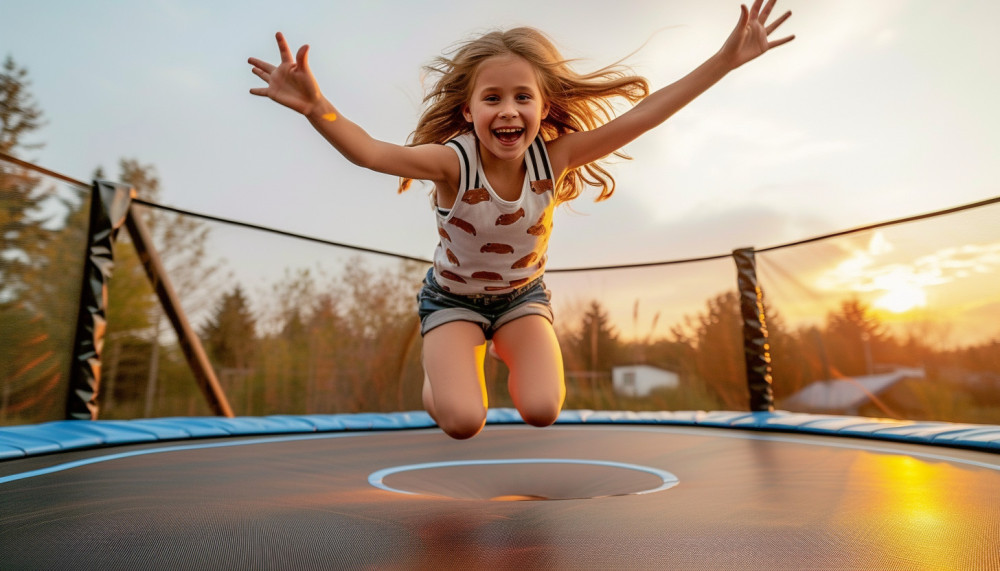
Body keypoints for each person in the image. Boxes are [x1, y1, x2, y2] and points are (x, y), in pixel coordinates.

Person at [248, 0, 794, 439]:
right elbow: (370, 152)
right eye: (492, 98)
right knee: (462, 421)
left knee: (540, 409)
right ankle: (442, 385)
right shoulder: (451, 163)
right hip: (452, 301)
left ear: (541, 106)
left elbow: (645, 116)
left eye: (521, 97)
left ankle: (482, 360)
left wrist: (724, 60)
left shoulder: (553, 159)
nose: (507, 110)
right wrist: (317, 108)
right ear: (469, 111)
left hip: (521, 300)